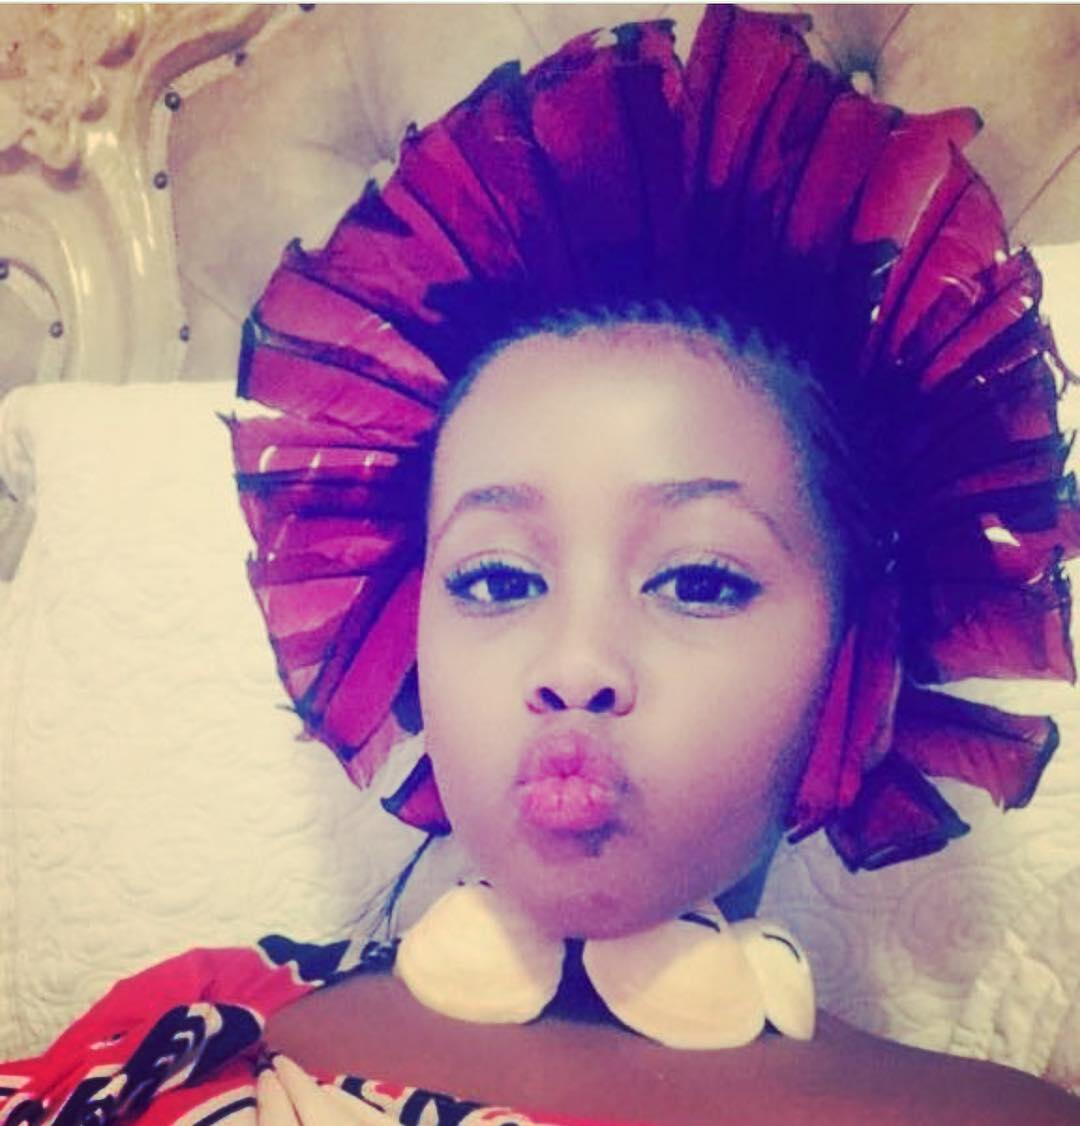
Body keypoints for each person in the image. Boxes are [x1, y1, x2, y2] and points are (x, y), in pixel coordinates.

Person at [3, 6, 1079, 1124]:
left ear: (855, 663)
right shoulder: (193, 1025)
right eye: (498, 580)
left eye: (699, 580)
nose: (575, 666)